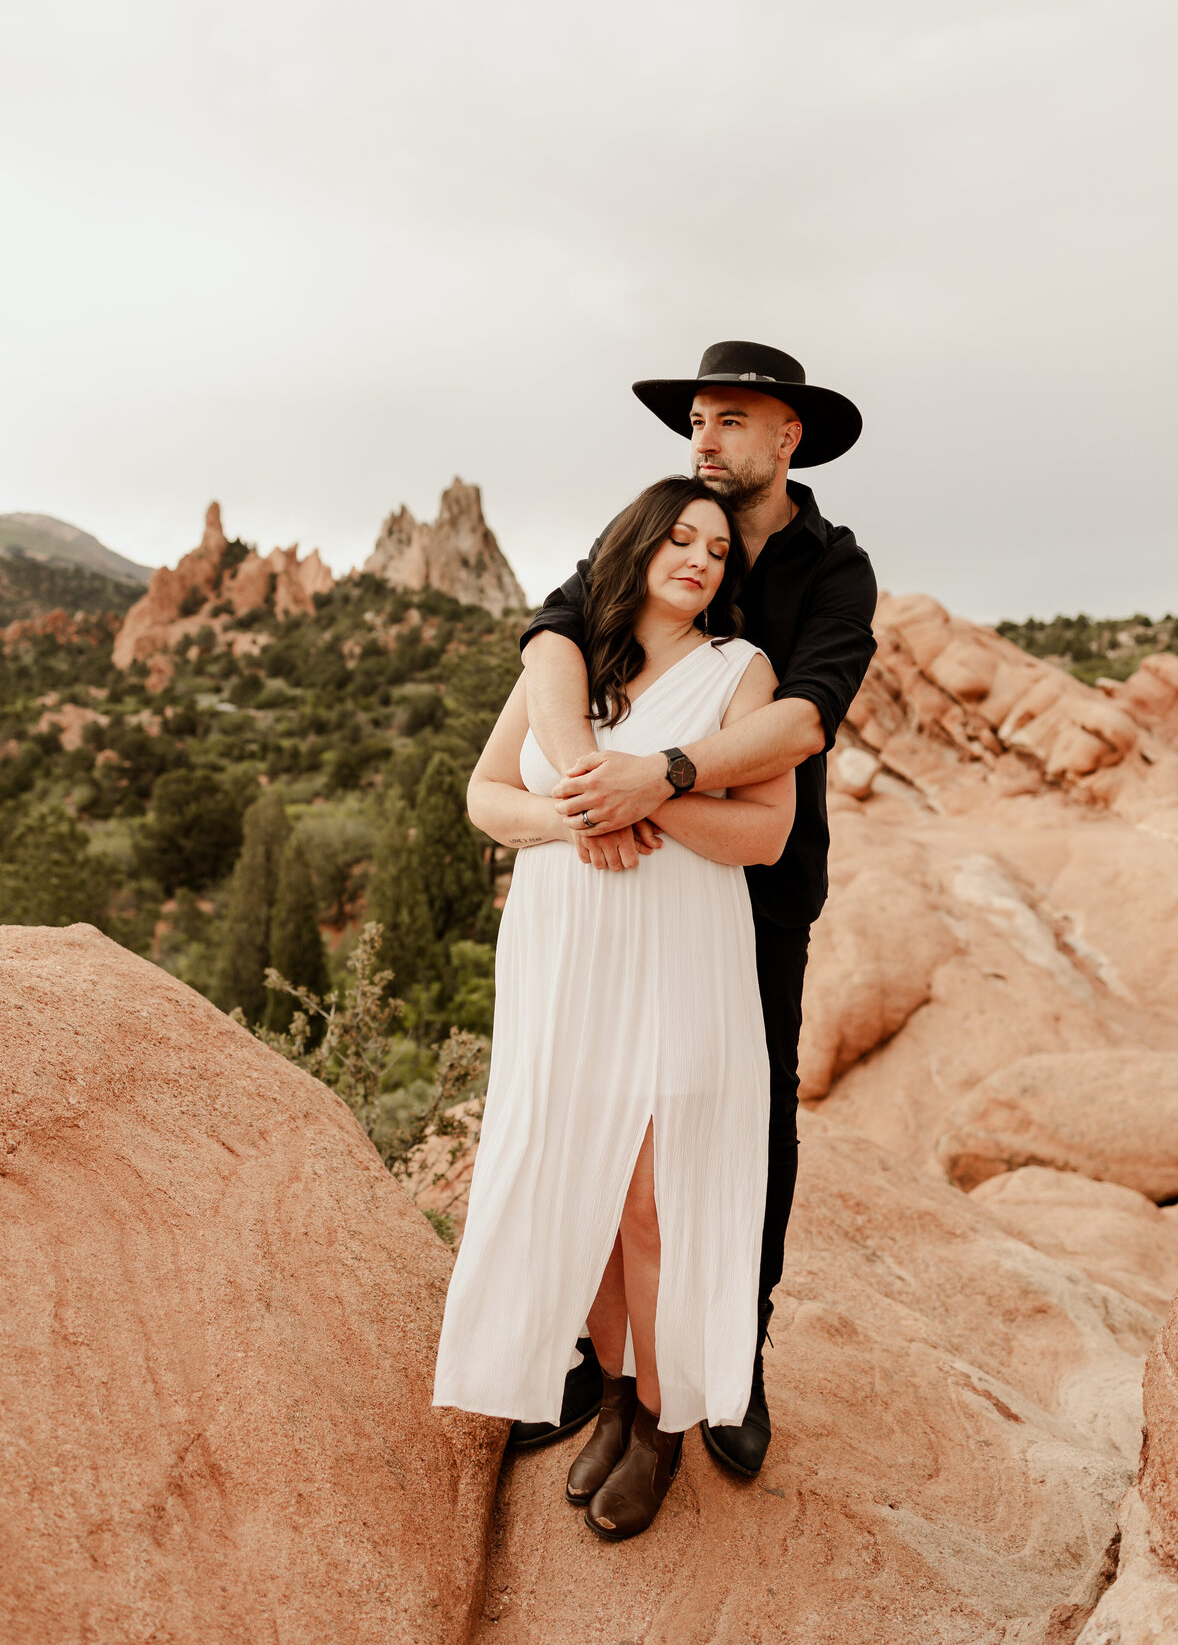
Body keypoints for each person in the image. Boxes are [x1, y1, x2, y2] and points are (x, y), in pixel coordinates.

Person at [514, 339, 877, 1477]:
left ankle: (732, 1359)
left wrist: (657, 777)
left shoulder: (835, 568)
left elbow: (805, 721)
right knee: (591, 1105)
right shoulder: (661, 529)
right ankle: (590, 1356)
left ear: (788, 437)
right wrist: (587, 787)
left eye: (729, 420)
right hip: (615, 885)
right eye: (697, 422)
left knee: (746, 1124)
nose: (706, 440)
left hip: (756, 891)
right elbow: (553, 638)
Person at [433, 475, 795, 1541]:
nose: (699, 559)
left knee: (648, 1202)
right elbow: (486, 795)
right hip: (561, 954)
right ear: (636, 544)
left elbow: (765, 834)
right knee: (578, 1185)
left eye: (718, 551)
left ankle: (659, 1423)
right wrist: (575, 821)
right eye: (679, 538)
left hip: (679, 953)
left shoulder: (741, 670)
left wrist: (656, 796)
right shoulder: (567, 656)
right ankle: (613, 1397)